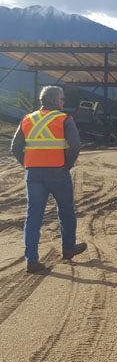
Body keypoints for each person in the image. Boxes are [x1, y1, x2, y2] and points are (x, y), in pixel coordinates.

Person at [10, 85, 86, 273]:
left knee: (33, 216)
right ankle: (68, 248)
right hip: (57, 173)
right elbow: (75, 146)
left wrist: (27, 164)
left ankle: (32, 260)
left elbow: (14, 147)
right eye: (61, 99)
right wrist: (65, 165)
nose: (63, 101)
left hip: (33, 174)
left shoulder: (27, 119)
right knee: (66, 211)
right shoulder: (64, 119)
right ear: (54, 100)